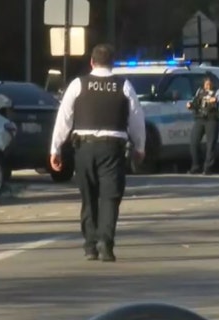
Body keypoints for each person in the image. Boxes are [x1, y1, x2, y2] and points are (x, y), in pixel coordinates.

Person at [49, 44, 146, 262]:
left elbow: (63, 119)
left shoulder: (78, 84)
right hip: (112, 148)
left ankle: (90, 245)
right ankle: (105, 243)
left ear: (91, 62)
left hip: (84, 148)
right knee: (110, 197)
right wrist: (140, 147)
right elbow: (137, 119)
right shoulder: (124, 85)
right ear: (112, 63)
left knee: (88, 196)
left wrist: (55, 149)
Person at [187, 76, 219, 175]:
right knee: (194, 142)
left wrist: (216, 99)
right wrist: (190, 105)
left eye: (210, 84)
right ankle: (196, 166)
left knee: (210, 145)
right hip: (200, 118)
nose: (208, 86)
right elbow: (195, 101)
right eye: (206, 84)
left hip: (212, 119)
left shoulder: (218, 91)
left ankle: (207, 168)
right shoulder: (200, 91)